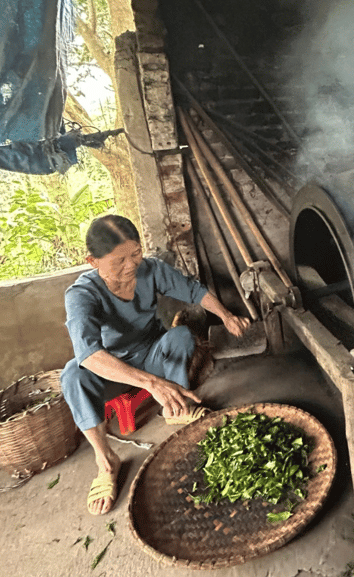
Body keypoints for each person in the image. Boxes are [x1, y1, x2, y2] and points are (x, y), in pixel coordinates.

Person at [60, 215, 250, 515]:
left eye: (135, 253)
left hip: (153, 355)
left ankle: (174, 408)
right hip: (114, 370)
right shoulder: (82, 294)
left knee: (182, 336)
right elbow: (89, 355)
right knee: (72, 374)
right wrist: (151, 383)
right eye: (118, 260)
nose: (131, 265)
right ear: (92, 261)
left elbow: (193, 291)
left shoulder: (151, 270)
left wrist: (226, 316)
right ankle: (106, 461)